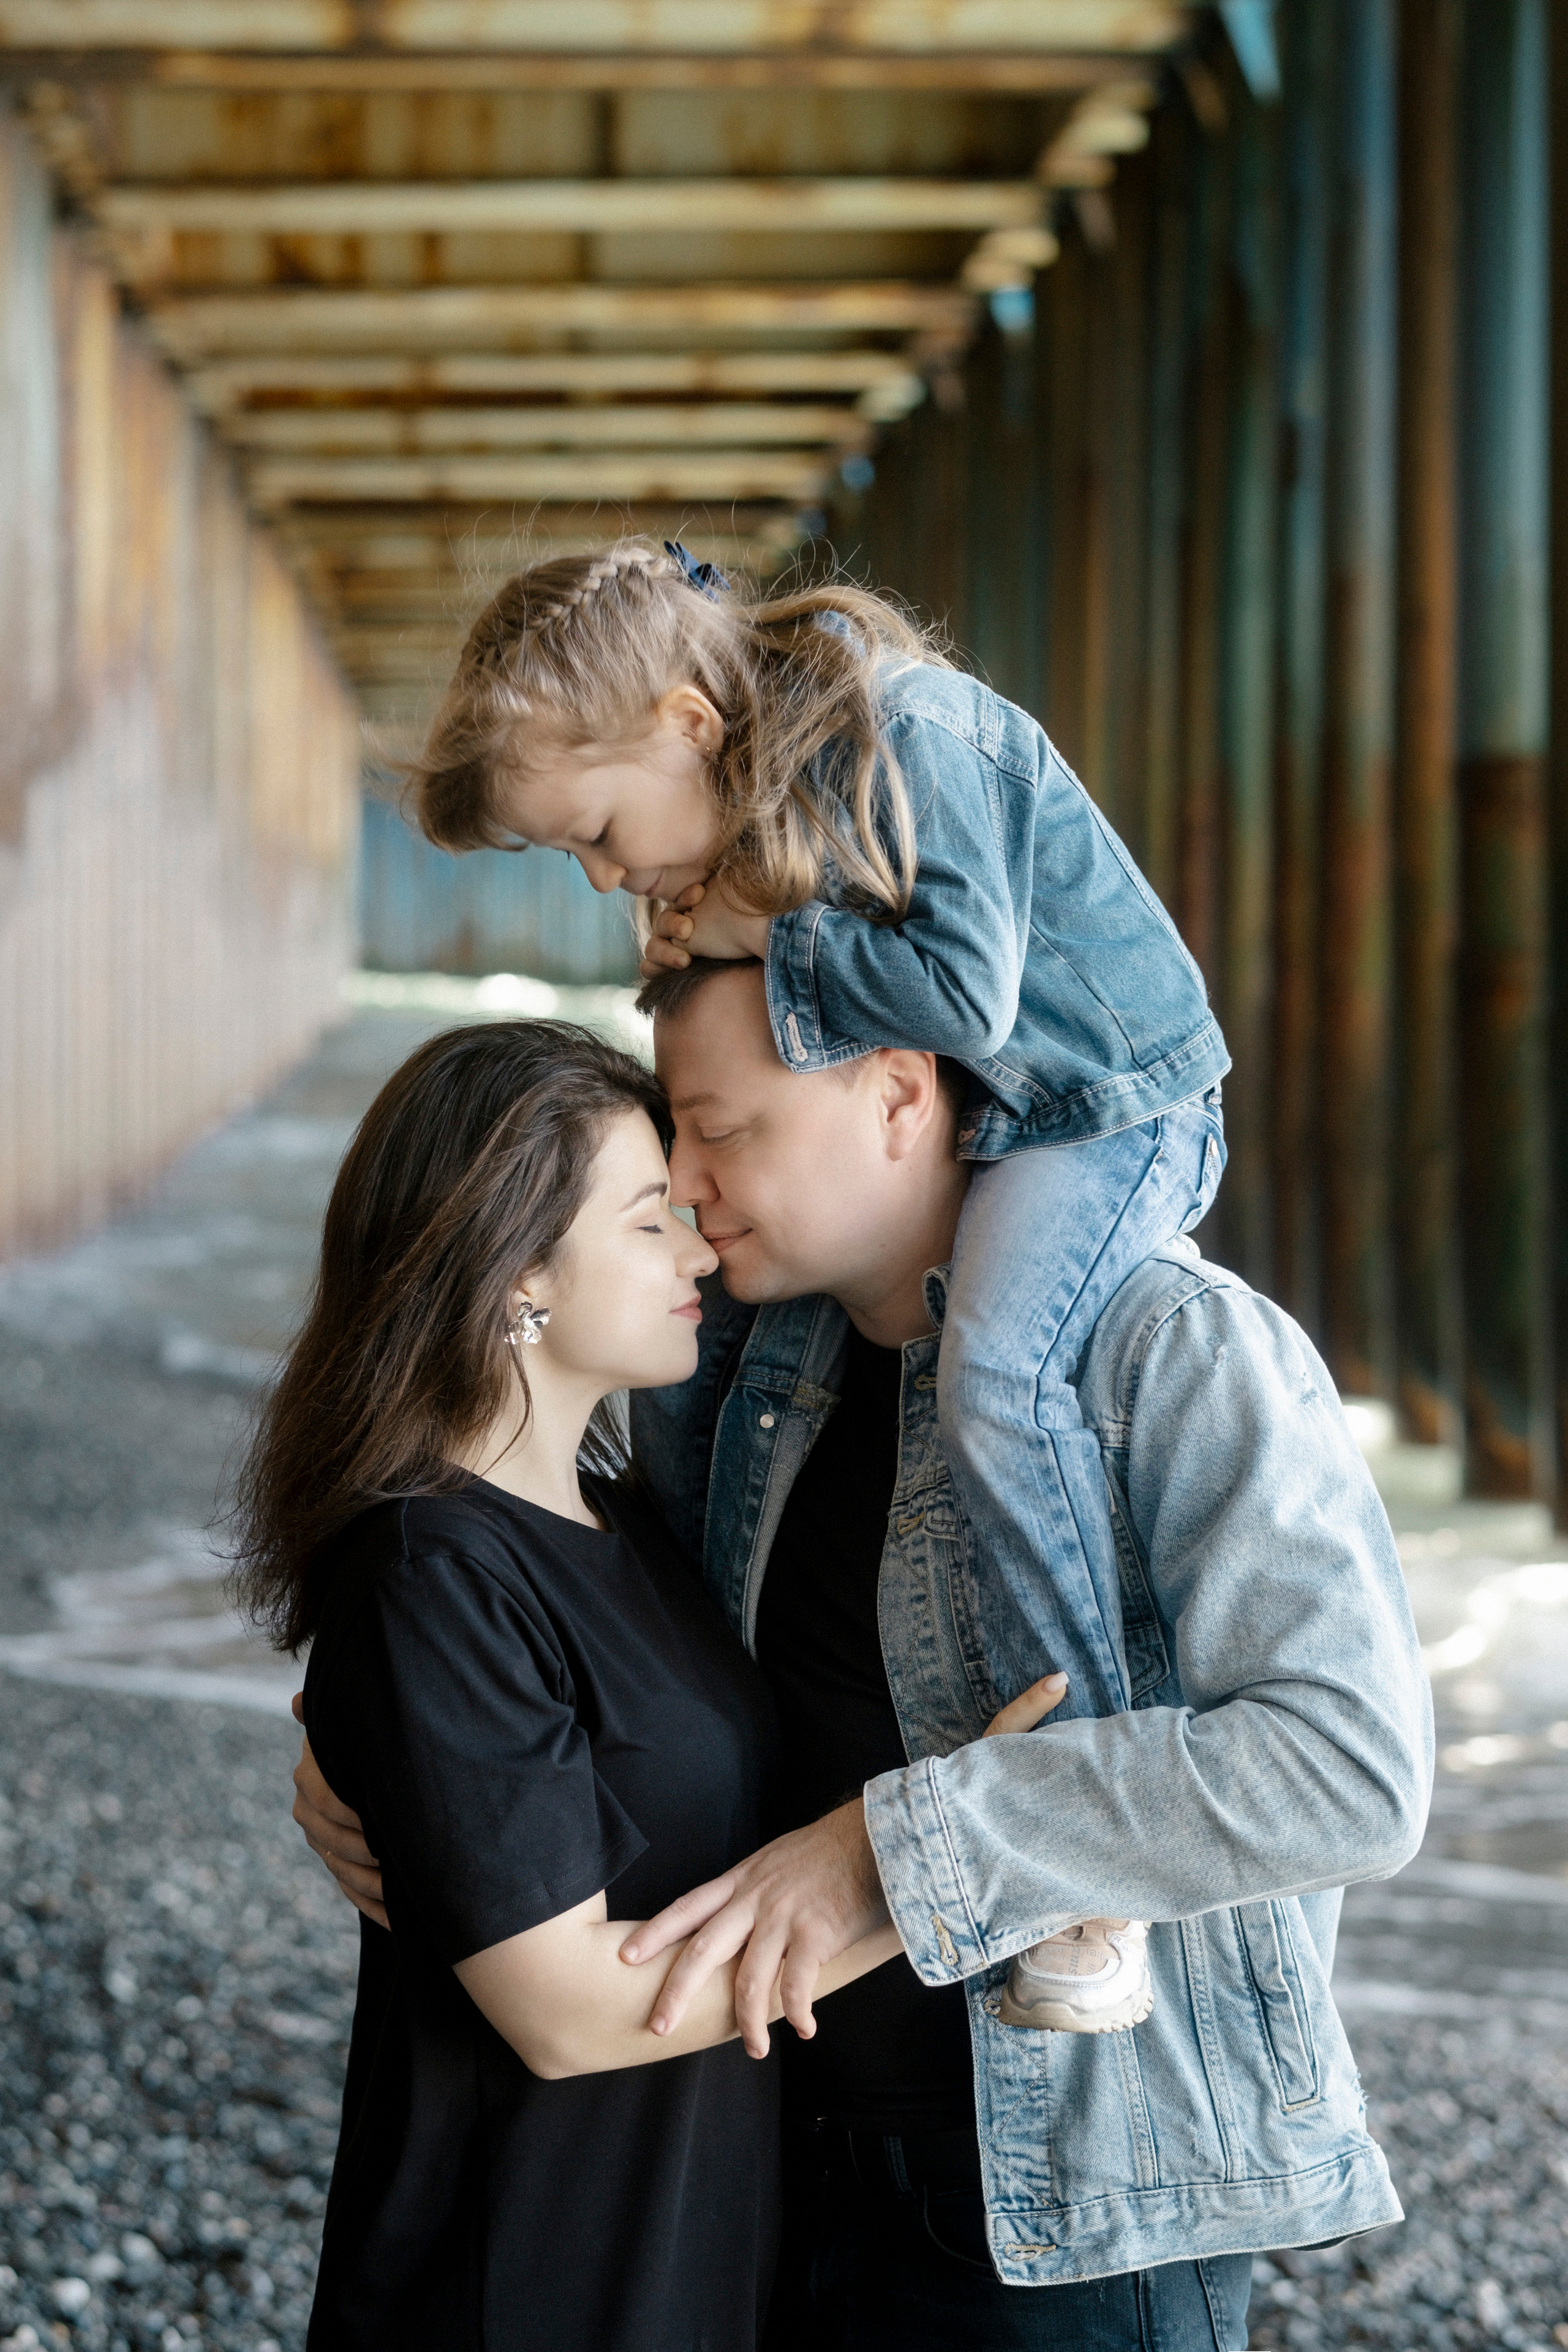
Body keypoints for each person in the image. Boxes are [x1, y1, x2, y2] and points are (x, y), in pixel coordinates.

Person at [296, 960, 1433, 2352]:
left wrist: (888, 1857)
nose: (696, 1203)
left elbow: (1351, 1772)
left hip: (1067, 2221)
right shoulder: (745, 1379)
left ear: (896, 1096)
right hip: (769, 2182)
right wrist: (369, 1750)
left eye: (719, 1132)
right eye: (665, 1175)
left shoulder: (1169, 1354)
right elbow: (530, 1635)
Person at [406, 536, 1235, 2034]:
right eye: (570, 859)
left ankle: (1070, 1849)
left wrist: (752, 928)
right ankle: (635, 1708)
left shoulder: (898, 727)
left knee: (995, 1374)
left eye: (594, 830)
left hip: (1111, 1103)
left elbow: (965, 995)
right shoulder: (746, 809)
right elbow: (754, 1059)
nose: (600, 874)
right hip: (997, 1102)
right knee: (707, 1333)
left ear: (683, 724)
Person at [239, 1016, 1055, 2352]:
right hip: (525, 2273)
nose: (697, 1254)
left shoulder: (627, 1525)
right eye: (645, 1223)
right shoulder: (426, 1567)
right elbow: (561, 2016)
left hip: (679, 2248)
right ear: (514, 1274)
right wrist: (972, 1858)